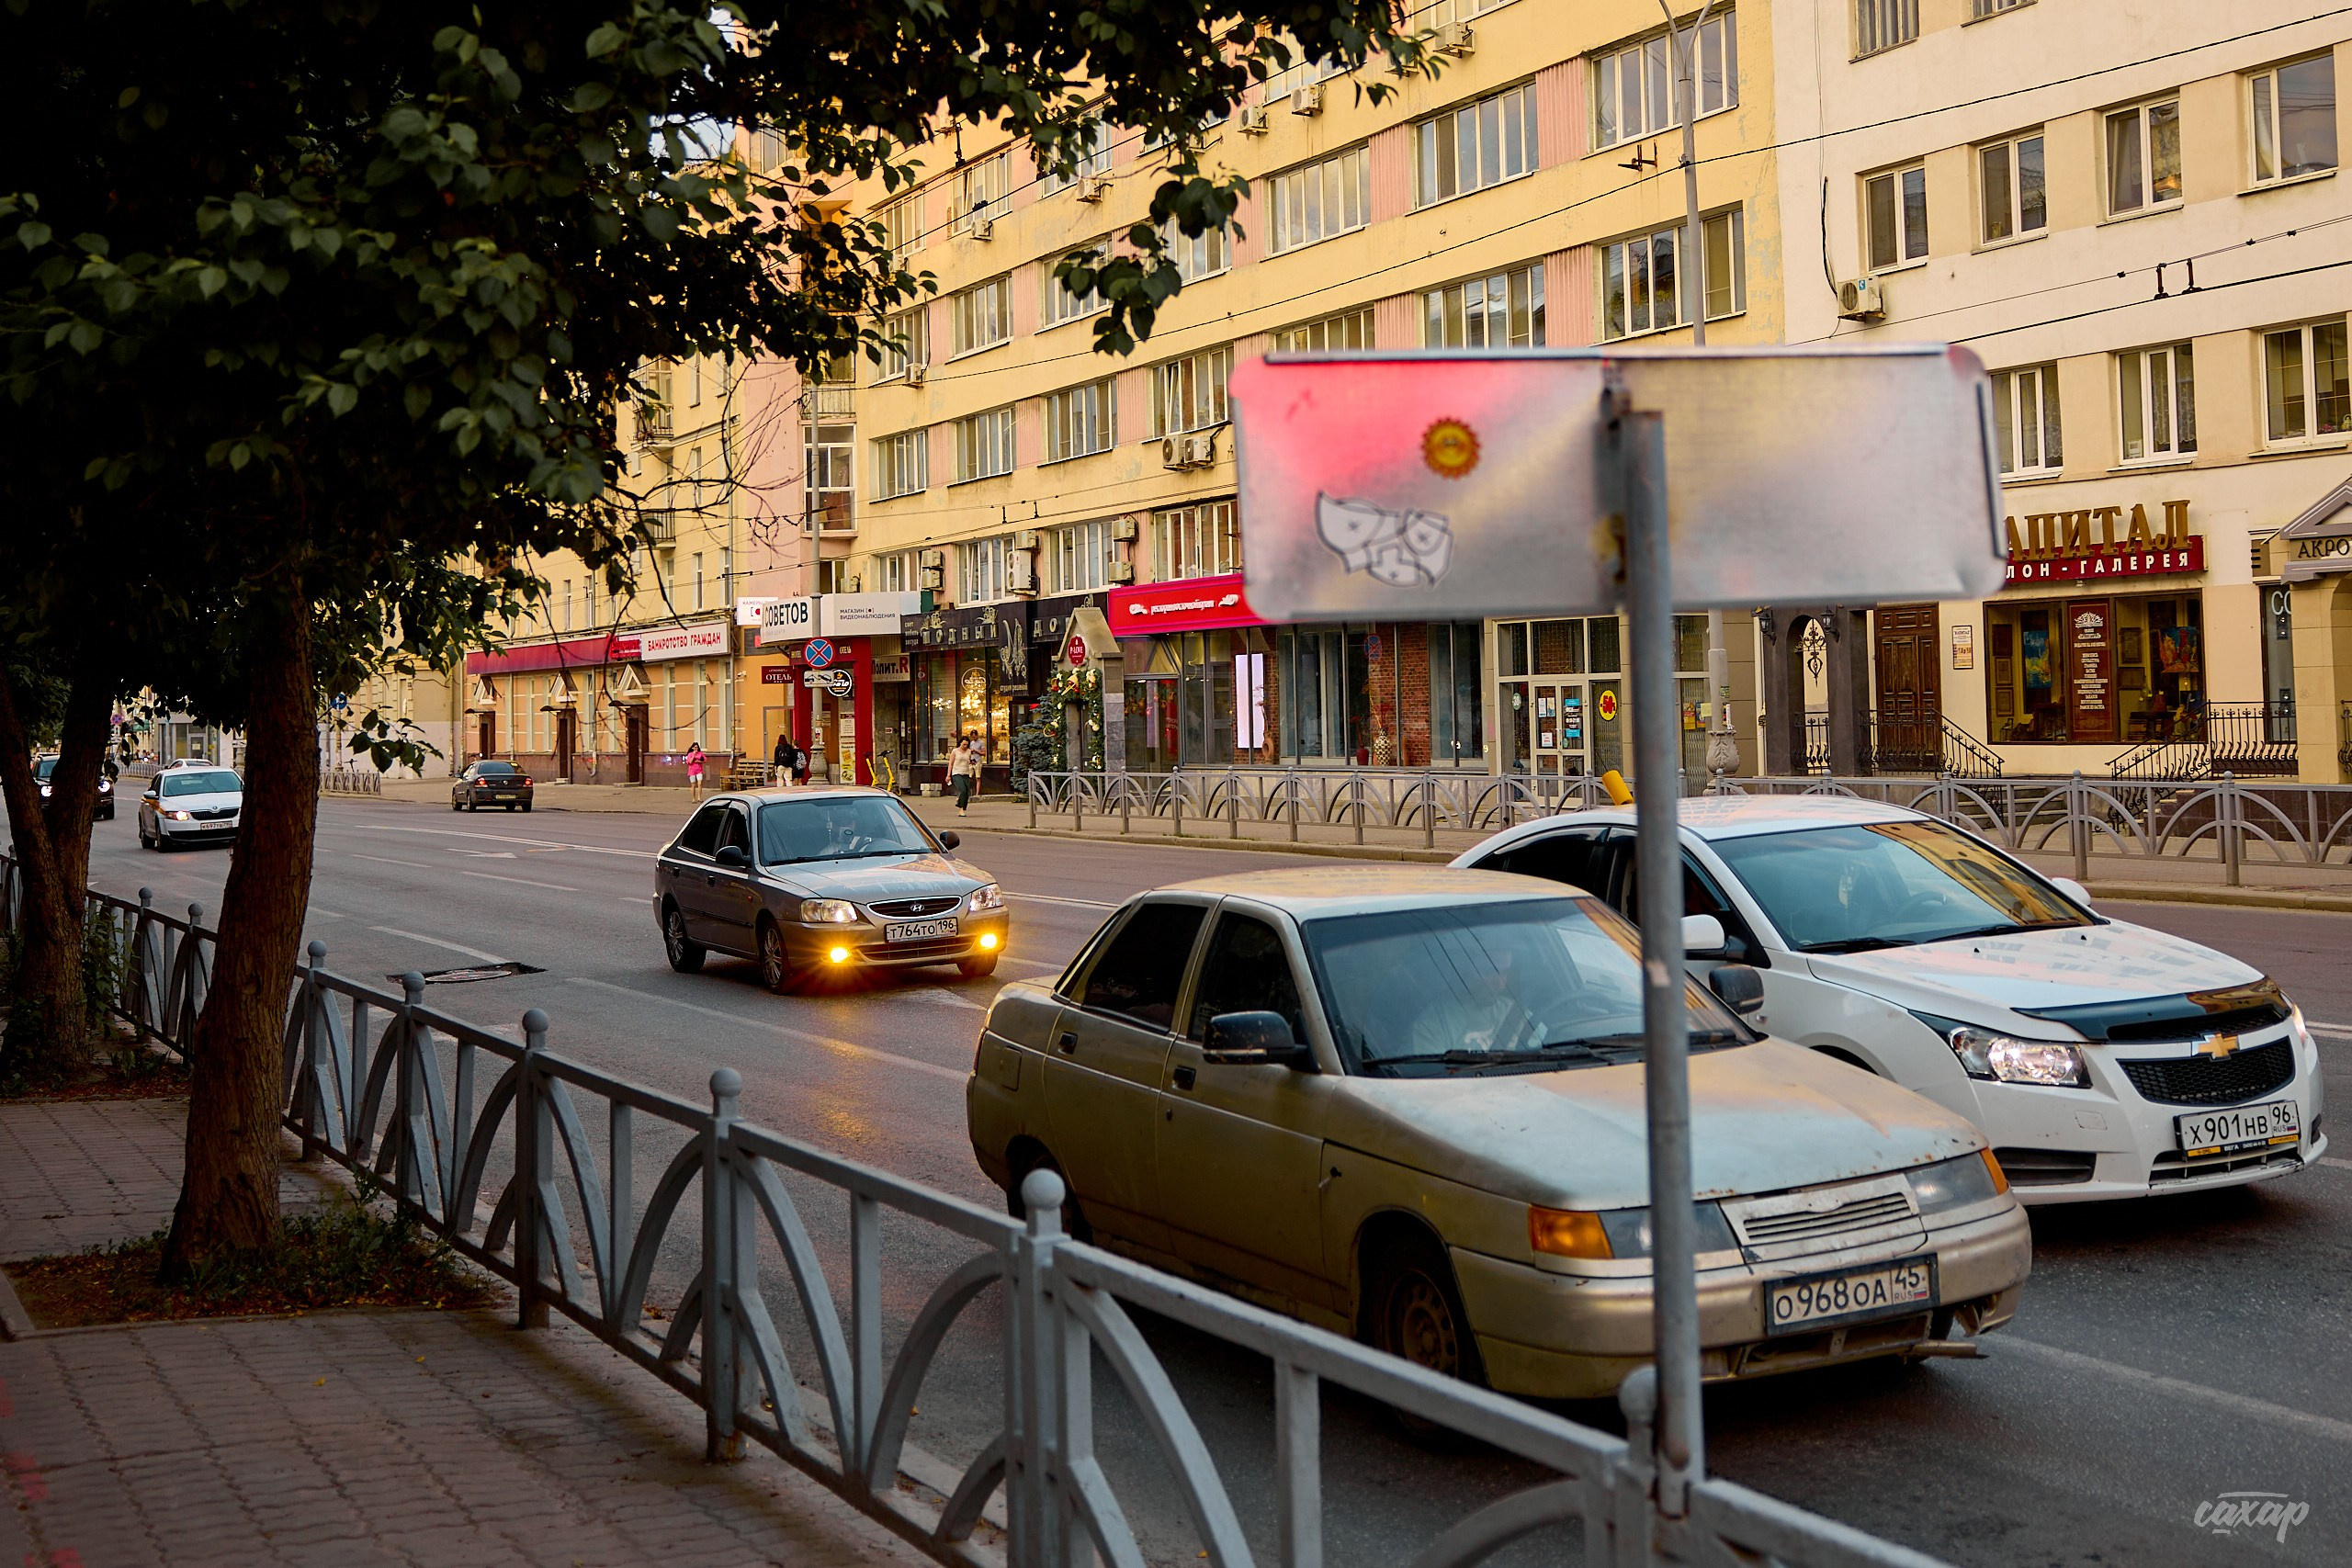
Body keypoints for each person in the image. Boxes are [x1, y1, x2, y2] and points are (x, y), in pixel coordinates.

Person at [949, 733, 977, 814]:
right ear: (960, 743)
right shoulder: (955, 751)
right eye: (964, 744)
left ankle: (963, 808)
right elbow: (950, 763)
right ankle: (960, 807)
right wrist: (948, 775)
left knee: (967, 792)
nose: (965, 746)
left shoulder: (969, 751)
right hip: (956, 773)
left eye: (967, 745)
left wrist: (972, 762)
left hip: (966, 773)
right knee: (963, 789)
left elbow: (969, 760)